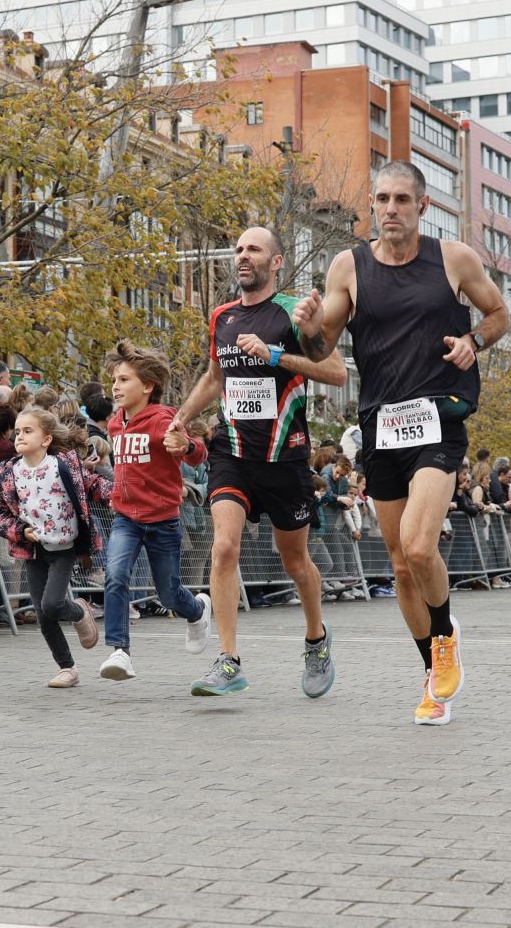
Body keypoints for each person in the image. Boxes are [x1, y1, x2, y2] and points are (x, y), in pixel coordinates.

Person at [298, 162, 511, 724]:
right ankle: (431, 676)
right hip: (381, 427)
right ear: (372, 204)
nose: (391, 209)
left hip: (439, 417)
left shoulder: (453, 259)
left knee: (420, 548)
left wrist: (472, 341)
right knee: (398, 564)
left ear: (422, 207)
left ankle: (445, 637)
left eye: (402, 200)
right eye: (383, 199)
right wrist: (307, 326)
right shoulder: (350, 266)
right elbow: (322, 350)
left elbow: (499, 314)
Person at [167, 226, 348, 701]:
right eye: (239, 249)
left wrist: (275, 354)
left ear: (276, 261)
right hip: (232, 453)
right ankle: (229, 660)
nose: (243, 256)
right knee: (224, 547)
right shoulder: (221, 317)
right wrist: (182, 418)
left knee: (295, 562)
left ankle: (316, 639)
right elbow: (213, 376)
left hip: (285, 458)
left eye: (254, 249)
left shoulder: (294, 313)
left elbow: (335, 372)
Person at [98, 341, 212, 682]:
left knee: (168, 594)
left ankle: (197, 611)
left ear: (147, 386)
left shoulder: (163, 419)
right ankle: (119, 651)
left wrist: (187, 445)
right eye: (114, 380)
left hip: (163, 521)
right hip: (126, 519)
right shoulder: (115, 424)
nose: (115, 387)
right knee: (115, 576)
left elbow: (197, 455)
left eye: (124, 380)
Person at [0, 407, 109, 688]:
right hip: (34, 550)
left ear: (46, 439)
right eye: (17, 431)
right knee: (43, 614)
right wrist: (20, 531)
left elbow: (93, 485)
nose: (20, 436)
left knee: (52, 604)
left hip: (63, 546)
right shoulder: (7, 473)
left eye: (28, 431)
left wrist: (117, 495)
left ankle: (79, 611)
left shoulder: (64, 465)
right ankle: (67, 668)